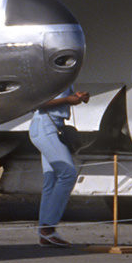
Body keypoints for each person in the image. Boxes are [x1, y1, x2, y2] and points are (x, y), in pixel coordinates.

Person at [30, 88, 90, 246]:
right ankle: (48, 227)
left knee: (51, 179)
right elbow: (38, 103)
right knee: (68, 175)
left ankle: (45, 233)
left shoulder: (62, 75)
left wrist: (79, 96)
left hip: (50, 126)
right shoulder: (50, 74)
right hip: (46, 125)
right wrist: (68, 100)